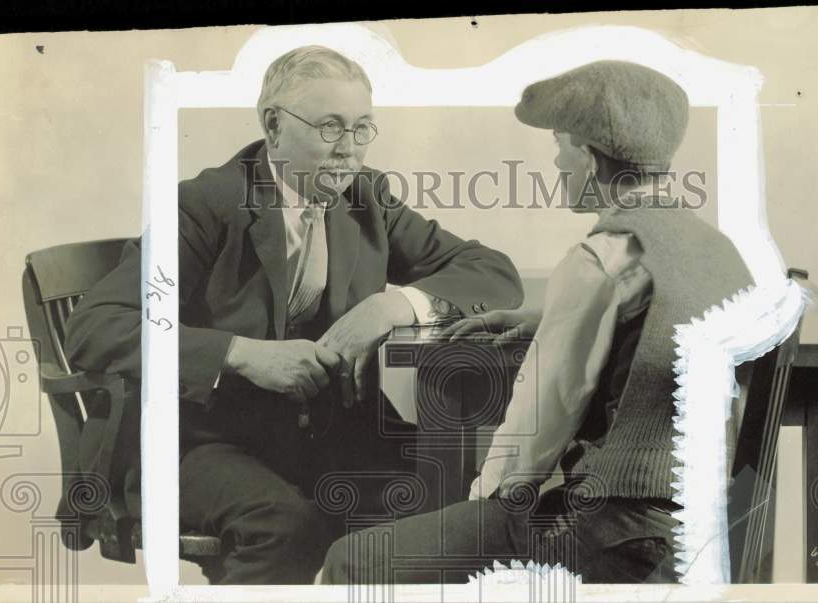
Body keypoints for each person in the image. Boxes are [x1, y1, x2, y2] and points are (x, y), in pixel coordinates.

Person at [63, 45, 523, 584]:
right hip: (198, 439)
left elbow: (492, 272)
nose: (348, 150)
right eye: (330, 127)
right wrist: (241, 354)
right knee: (285, 528)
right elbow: (96, 325)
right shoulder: (206, 204)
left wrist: (391, 303)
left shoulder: (365, 198)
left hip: (315, 433)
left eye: (361, 129)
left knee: (437, 504)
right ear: (274, 125)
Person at [320, 60, 754, 584]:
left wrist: (482, 502)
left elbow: (541, 423)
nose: (555, 163)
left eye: (560, 145)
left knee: (352, 561)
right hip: (703, 526)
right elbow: (660, 331)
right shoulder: (716, 248)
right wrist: (552, 321)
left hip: (614, 535)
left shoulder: (600, 258)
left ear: (591, 159)